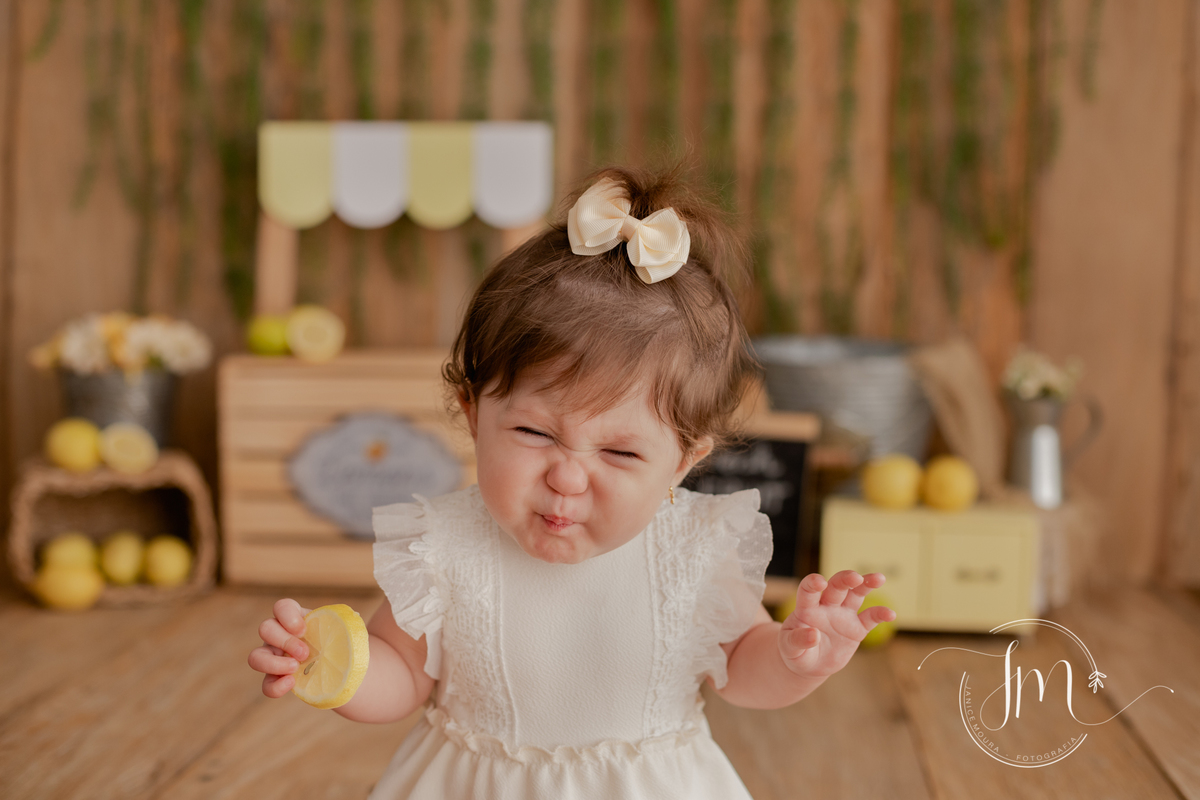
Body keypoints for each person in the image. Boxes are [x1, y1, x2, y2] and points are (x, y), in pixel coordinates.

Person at [248, 165, 897, 799]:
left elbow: (743, 668)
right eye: (535, 433)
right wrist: (331, 666)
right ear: (474, 414)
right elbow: (400, 678)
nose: (566, 476)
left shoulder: (692, 553)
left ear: (684, 460)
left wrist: (793, 657)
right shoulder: (444, 547)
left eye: (620, 452)